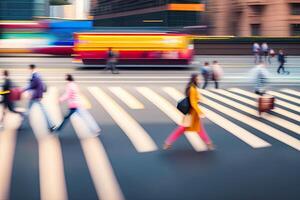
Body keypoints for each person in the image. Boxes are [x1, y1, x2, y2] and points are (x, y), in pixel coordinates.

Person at [163, 74, 215, 150]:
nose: (200, 80)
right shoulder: (192, 89)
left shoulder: (192, 87)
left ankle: (168, 143)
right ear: (195, 79)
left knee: (189, 128)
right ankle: (209, 144)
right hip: (192, 113)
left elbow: (194, 98)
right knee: (187, 128)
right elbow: (193, 103)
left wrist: (201, 99)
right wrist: (200, 112)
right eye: (198, 79)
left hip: (191, 113)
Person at [23, 64, 55, 132]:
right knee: (43, 111)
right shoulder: (35, 75)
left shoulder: (35, 76)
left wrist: (23, 89)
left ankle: (51, 125)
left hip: (35, 97)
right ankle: (51, 125)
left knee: (29, 110)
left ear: (31, 68)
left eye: (28, 68)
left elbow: (36, 86)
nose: (28, 70)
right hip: (35, 96)